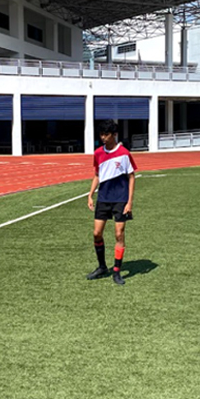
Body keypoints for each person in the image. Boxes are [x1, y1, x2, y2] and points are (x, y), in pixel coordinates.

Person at [86, 119, 136, 286]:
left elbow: (131, 177)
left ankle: (116, 271)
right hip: (103, 198)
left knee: (119, 234)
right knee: (96, 233)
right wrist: (90, 194)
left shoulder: (124, 153)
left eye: (106, 134)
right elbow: (97, 175)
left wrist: (129, 202)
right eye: (101, 134)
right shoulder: (98, 153)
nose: (103, 137)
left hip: (120, 199)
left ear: (114, 134)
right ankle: (102, 267)